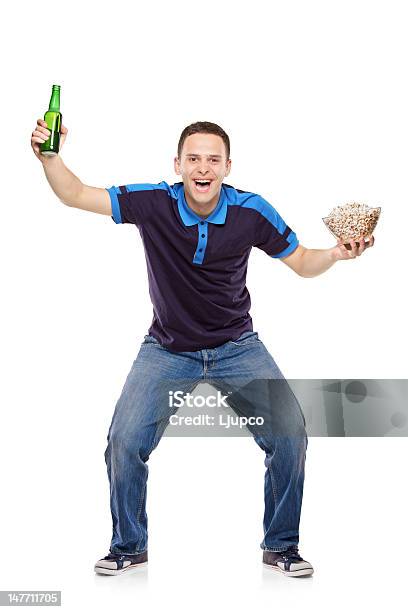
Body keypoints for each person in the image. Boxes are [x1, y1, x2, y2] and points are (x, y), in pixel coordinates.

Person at [31, 118, 375, 578]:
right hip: (168, 348)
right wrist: (50, 157)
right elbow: (74, 193)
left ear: (228, 167)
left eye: (213, 159)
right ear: (178, 164)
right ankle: (129, 545)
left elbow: (303, 262)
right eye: (193, 158)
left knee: (291, 433)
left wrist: (336, 253)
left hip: (237, 345)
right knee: (124, 442)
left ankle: (281, 546)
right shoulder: (154, 202)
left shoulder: (252, 212)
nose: (203, 168)